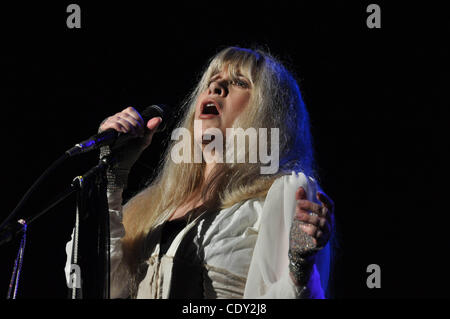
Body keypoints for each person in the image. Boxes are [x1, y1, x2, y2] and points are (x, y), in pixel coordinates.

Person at [65, 46, 335, 299]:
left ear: (271, 114)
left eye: (239, 82)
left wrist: (299, 264)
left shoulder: (285, 194)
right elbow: (92, 283)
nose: (216, 86)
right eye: (212, 81)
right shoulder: (154, 207)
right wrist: (112, 175)